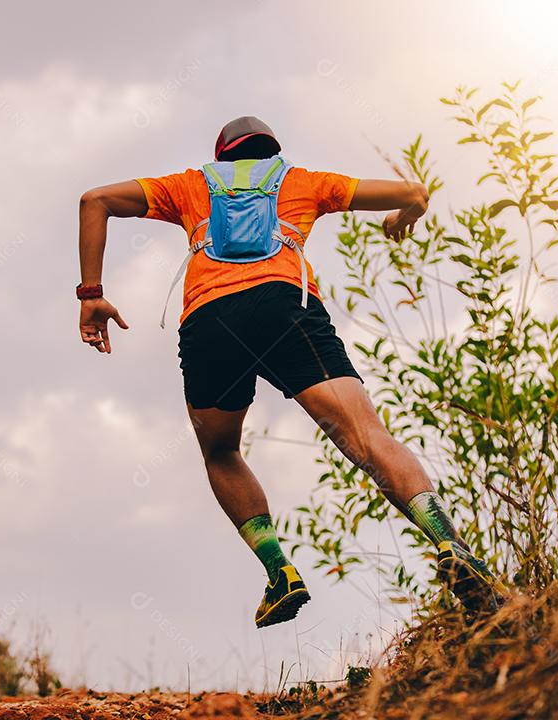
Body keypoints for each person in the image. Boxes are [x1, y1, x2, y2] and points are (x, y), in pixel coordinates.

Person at [77, 116, 503, 628]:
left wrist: (92, 295)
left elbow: (93, 200)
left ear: (222, 156)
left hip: (210, 320)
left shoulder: (189, 185)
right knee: (367, 437)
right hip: (286, 307)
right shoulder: (303, 181)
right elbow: (414, 190)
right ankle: (450, 546)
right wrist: (400, 218)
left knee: (221, 451)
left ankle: (280, 573)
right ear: (271, 151)